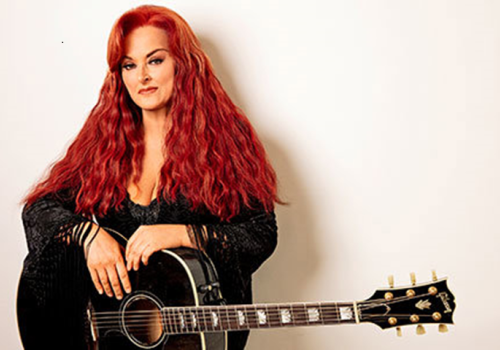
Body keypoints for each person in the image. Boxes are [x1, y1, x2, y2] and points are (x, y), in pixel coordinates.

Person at [17, 4, 280, 350]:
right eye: (129, 65)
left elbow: (261, 233)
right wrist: (88, 235)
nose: (141, 76)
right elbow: (39, 210)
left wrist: (184, 234)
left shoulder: (227, 141)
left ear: (183, 63)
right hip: (115, 339)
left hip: (191, 339)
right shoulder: (104, 141)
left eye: (155, 60)